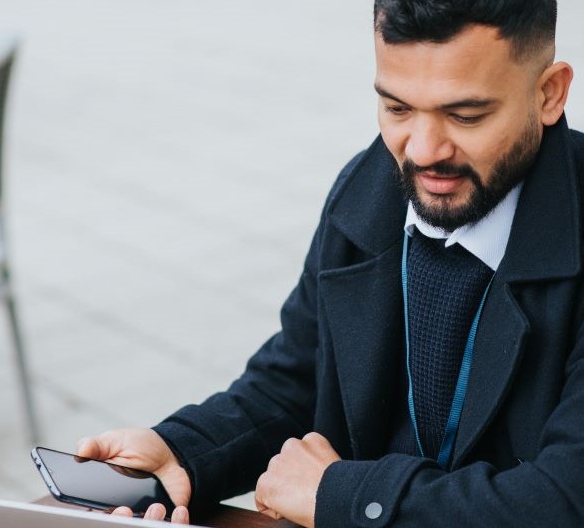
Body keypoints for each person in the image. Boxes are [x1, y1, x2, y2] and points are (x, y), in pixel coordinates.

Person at [77, 1, 584, 526]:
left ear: (549, 93)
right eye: (397, 109)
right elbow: (299, 380)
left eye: (465, 116)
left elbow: (566, 500)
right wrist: (183, 453)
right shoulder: (366, 194)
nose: (424, 151)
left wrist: (342, 497)